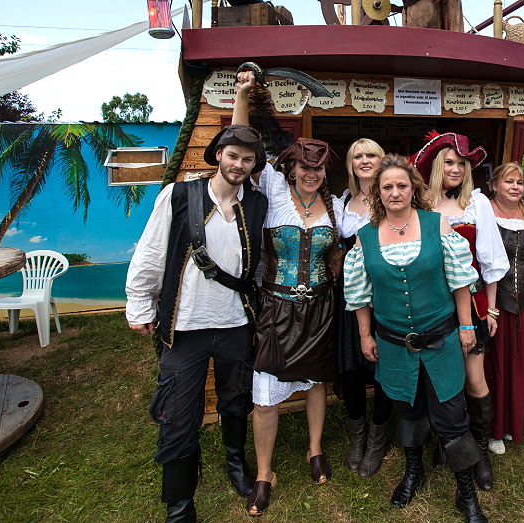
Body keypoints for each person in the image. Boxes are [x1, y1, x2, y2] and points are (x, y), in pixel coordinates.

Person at [125, 124, 268, 523]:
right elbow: (152, 249)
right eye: (233, 156)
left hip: (236, 322)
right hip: (185, 324)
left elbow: (256, 263)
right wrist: (140, 303)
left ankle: (235, 464)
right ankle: (179, 504)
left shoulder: (256, 204)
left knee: (236, 399)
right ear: (218, 155)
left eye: (248, 159)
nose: (239, 164)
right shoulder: (179, 195)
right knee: (178, 412)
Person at [344, 154, 489, 523]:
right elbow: (359, 295)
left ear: (414, 189)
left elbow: (460, 279)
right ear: (378, 193)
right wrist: (365, 335)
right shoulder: (365, 237)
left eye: (401, 185)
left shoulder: (436, 223)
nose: (395, 192)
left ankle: (466, 491)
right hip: (393, 344)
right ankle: (414, 471)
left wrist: (466, 326)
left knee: (452, 416)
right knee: (408, 413)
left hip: (441, 340)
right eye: (387, 187)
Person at [233, 71, 344, 517]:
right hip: (276, 307)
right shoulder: (274, 191)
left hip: (320, 307)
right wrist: (243, 95)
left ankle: (315, 449)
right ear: (292, 168)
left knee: (316, 381)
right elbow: (241, 140)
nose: (312, 174)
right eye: (305, 167)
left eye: (318, 168)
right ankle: (264, 473)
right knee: (265, 391)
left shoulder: (336, 207)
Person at [412, 131, 508, 491]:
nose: (456, 169)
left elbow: (491, 259)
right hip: (431, 304)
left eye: (462, 164)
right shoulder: (420, 205)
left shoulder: (476, 202)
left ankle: (479, 452)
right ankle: (447, 441)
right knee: (439, 378)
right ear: (438, 166)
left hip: (472, 303)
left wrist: (492, 309)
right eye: (449, 162)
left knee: (473, 378)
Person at [337, 138, 393, 478]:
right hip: (349, 293)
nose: (364, 160)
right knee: (350, 368)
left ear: (381, 159)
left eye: (371, 154)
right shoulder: (343, 201)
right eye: (357, 155)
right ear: (350, 163)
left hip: (384, 290)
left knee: (384, 364)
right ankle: (358, 436)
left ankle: (377, 438)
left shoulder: (391, 196)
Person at [484, 162, 524, 453]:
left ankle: (516, 421)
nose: (515, 187)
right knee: (497, 366)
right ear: (495, 185)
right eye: (509, 181)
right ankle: (494, 427)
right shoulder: (484, 213)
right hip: (497, 302)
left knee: (521, 363)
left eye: (519, 182)